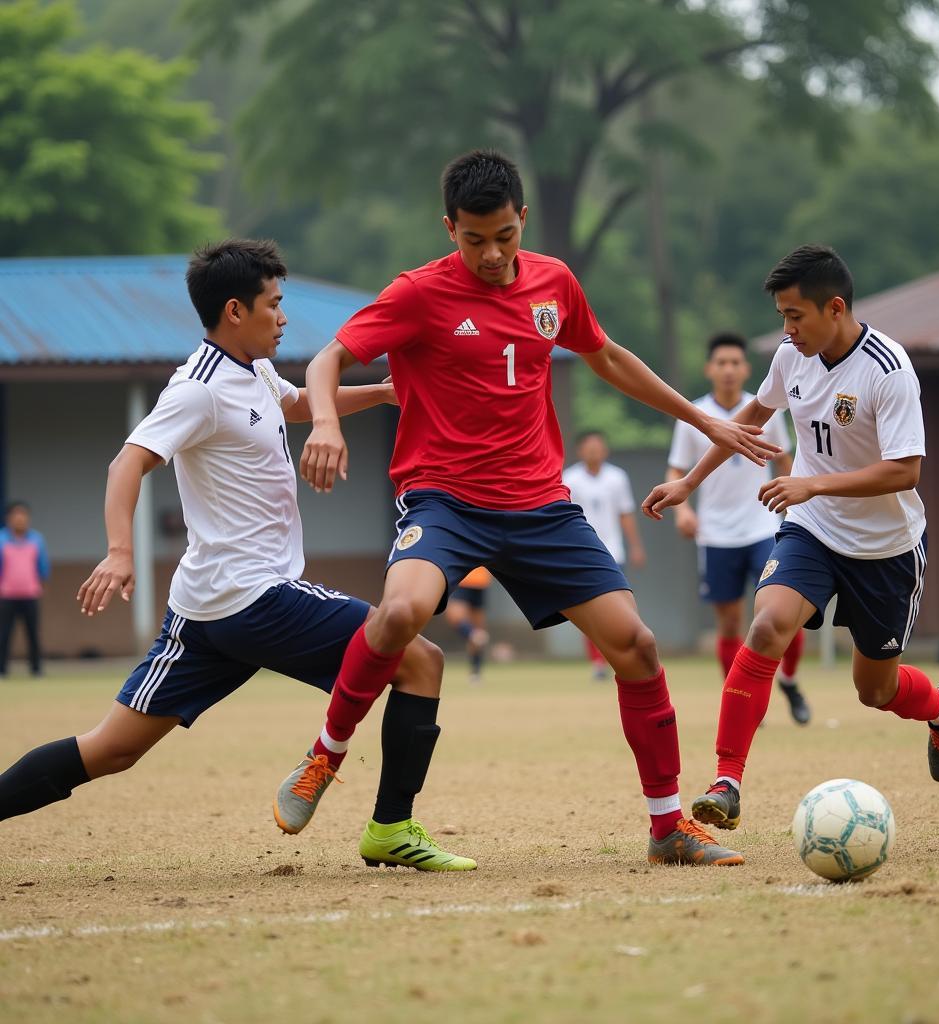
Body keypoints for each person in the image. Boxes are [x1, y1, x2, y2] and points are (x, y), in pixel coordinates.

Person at [288, 148, 783, 868]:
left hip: (540, 504)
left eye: (504, 238)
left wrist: (702, 419)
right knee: (400, 614)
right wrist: (328, 424)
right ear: (449, 228)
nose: (491, 255)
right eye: (473, 240)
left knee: (637, 647)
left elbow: (608, 356)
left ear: (523, 219)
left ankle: (668, 825)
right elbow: (326, 361)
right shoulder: (418, 293)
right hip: (445, 497)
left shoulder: (555, 281)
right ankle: (324, 756)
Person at [0, 239, 474, 872]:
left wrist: (383, 393)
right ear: (234, 311)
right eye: (274, 305)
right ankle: (391, 828)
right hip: (254, 598)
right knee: (420, 661)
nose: (283, 318)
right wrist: (119, 552)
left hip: (204, 610)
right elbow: (127, 463)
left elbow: (299, 405)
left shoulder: (251, 371)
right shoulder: (197, 389)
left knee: (111, 749)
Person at [643, 245, 939, 832]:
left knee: (875, 689)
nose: (786, 330)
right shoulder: (793, 358)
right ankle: (727, 781)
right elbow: (750, 421)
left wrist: (813, 483)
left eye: (795, 316)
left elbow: (905, 471)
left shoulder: (888, 370)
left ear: (834, 307)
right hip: (813, 531)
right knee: (765, 625)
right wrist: (688, 482)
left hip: (886, 548)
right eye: (782, 317)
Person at [666, 333, 810, 723]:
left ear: (746, 369)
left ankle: (791, 680)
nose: (728, 369)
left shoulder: (764, 410)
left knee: (782, 612)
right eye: (721, 363)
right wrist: (683, 512)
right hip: (715, 534)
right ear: (709, 369)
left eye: (735, 362)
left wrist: (802, 504)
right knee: (729, 621)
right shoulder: (694, 416)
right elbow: (677, 469)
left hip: (764, 527)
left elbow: (785, 462)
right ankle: (742, 698)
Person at [563, 430, 646, 679]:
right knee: (589, 609)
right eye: (588, 447)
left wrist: (636, 546)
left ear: (605, 450)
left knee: (621, 607)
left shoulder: (617, 478)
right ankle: (598, 662)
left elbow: (625, 513)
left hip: (613, 551)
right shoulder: (570, 478)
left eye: (598, 447)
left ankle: (621, 657)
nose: (593, 451)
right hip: (581, 552)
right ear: (580, 451)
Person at [0, 501, 50, 677]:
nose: (19, 519)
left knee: (33, 634)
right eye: (16, 515)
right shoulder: (2, 539)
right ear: (9, 518)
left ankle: (36, 669)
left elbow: (43, 567)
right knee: (4, 634)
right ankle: (2, 669)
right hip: (6, 595)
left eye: (23, 515)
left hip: (30, 594)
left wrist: (39, 583)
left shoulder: (36, 540)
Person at [444, 565, 492, 682]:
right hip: (460, 578)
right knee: (455, 617)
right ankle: (471, 633)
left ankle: (476, 671)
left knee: (478, 628)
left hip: (480, 582)